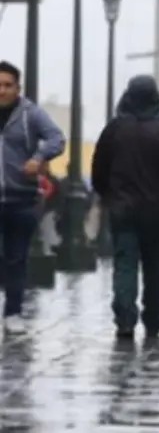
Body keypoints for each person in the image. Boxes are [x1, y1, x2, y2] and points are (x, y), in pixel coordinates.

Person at [92, 75, 159, 340]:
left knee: (125, 262)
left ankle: (125, 317)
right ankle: (154, 316)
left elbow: (99, 169)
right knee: (154, 264)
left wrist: (106, 194)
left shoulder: (114, 129)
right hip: (155, 211)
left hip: (122, 209)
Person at [0, 61, 66, 334]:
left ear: (18, 88)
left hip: (20, 198)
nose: (1, 91)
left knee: (17, 259)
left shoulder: (30, 115)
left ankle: (13, 312)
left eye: (7, 85)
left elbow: (57, 139)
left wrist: (38, 158)